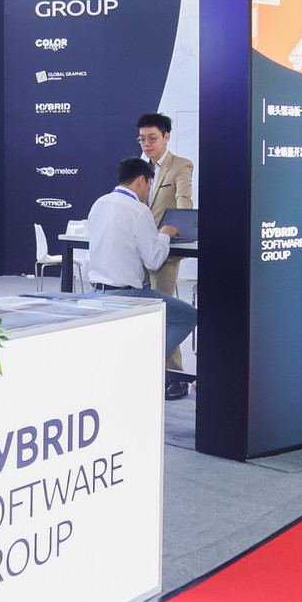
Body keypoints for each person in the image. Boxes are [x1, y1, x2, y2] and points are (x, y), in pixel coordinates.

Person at [85, 157, 198, 401]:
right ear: (141, 180)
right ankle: (146, 362)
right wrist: (164, 235)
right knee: (188, 315)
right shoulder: (139, 210)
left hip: (94, 293)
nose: (149, 191)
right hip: (128, 296)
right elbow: (154, 260)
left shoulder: (98, 204)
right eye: (149, 184)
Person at [138, 111, 195, 394]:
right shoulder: (138, 168)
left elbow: (184, 200)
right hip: (138, 250)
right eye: (142, 139)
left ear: (166, 137)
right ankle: (148, 371)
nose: (146, 144)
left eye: (152, 138)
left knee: (166, 312)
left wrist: (183, 226)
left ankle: (175, 377)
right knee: (142, 312)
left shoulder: (181, 165)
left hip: (166, 252)